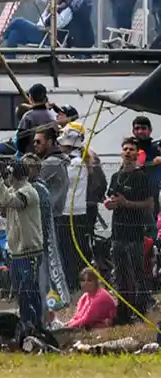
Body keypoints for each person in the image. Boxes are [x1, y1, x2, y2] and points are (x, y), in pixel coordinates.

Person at [0, 160, 43, 333]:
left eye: (8, 174)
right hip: (15, 253)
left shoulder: (28, 192)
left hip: (30, 252)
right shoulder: (13, 190)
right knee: (21, 294)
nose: (7, 177)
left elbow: (7, 200)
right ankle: (26, 325)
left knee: (29, 292)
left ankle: (35, 326)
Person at [106, 136, 154, 321]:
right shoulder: (115, 176)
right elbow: (111, 198)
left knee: (137, 273)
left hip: (134, 233)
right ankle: (123, 311)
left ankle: (141, 310)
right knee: (120, 274)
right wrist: (109, 204)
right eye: (125, 148)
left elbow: (149, 204)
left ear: (137, 154)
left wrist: (127, 203)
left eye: (131, 149)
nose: (128, 152)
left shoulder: (141, 177)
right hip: (117, 232)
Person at [54, 268, 118, 332]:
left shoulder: (100, 298)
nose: (85, 283)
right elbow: (77, 316)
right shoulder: (85, 297)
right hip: (89, 325)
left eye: (89, 280)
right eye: (83, 280)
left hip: (104, 327)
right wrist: (67, 324)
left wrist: (66, 327)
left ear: (96, 282)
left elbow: (85, 320)